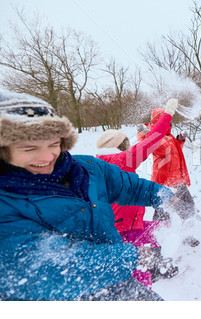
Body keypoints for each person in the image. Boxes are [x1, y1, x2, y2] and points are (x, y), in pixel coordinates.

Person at [0, 91, 178, 301]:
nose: (46, 157)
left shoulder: (87, 167)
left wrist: (163, 196)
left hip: (120, 282)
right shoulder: (6, 202)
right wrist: (133, 257)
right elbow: (50, 265)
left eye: (53, 144)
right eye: (29, 148)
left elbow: (129, 186)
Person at [95, 98, 180, 288]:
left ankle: (158, 268)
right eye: (125, 143)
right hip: (127, 229)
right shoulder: (124, 160)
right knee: (140, 274)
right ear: (120, 146)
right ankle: (144, 286)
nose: (128, 145)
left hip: (117, 225)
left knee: (156, 231)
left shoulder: (95, 165)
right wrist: (168, 113)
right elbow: (154, 138)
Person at [137, 107, 199, 247]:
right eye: (166, 119)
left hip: (177, 180)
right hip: (163, 182)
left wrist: (180, 140)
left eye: (169, 119)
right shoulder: (154, 137)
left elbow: (173, 152)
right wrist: (148, 134)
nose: (169, 121)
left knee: (190, 207)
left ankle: (187, 235)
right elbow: (159, 148)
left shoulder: (169, 136)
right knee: (162, 213)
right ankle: (158, 239)